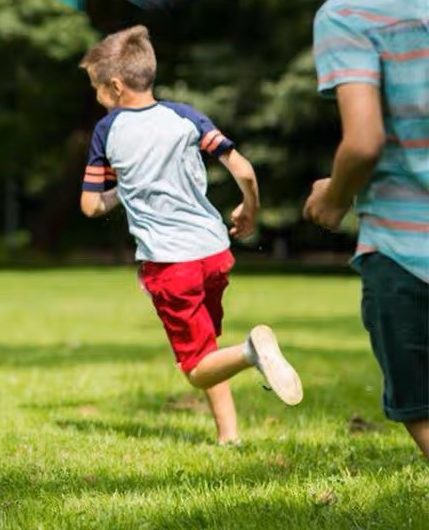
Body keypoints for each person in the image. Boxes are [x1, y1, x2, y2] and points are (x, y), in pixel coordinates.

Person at [79, 26, 302, 445]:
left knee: (198, 368)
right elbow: (245, 170)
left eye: (96, 88)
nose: (96, 98)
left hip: (169, 263)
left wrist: (120, 190)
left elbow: (90, 206)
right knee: (208, 342)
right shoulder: (185, 116)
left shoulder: (108, 130)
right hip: (215, 252)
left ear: (115, 85)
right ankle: (229, 435)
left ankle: (254, 352)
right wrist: (249, 211)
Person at [299, 0, 428, 457]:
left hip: (405, 255)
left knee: (421, 409)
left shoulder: (347, 15)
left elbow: (365, 139)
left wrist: (333, 196)